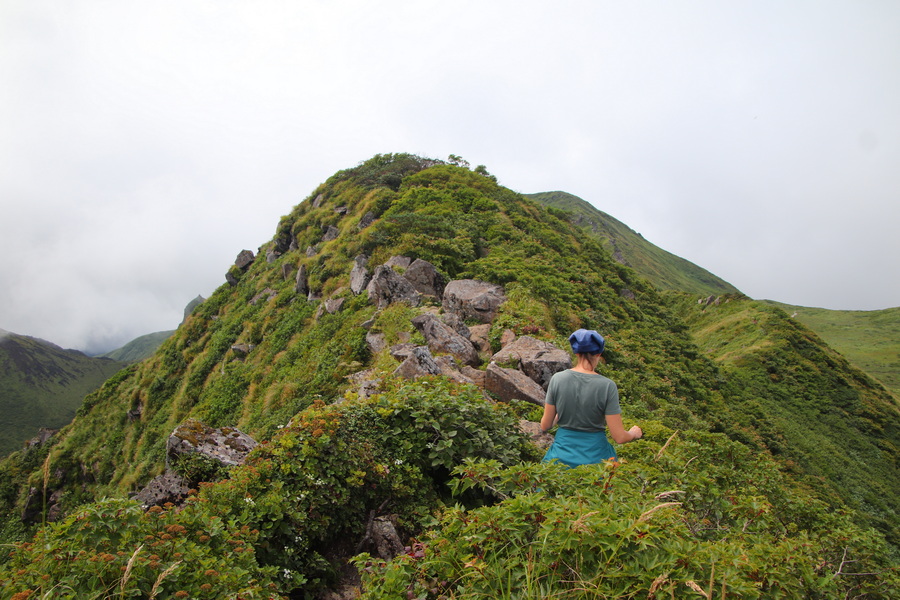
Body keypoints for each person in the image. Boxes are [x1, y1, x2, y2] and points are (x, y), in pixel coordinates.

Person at [541, 328, 642, 467]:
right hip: (595, 460)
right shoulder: (607, 386)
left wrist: (563, 412)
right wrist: (633, 433)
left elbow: (545, 425)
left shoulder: (557, 379)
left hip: (560, 458)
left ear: (576, 352)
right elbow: (619, 437)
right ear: (599, 353)